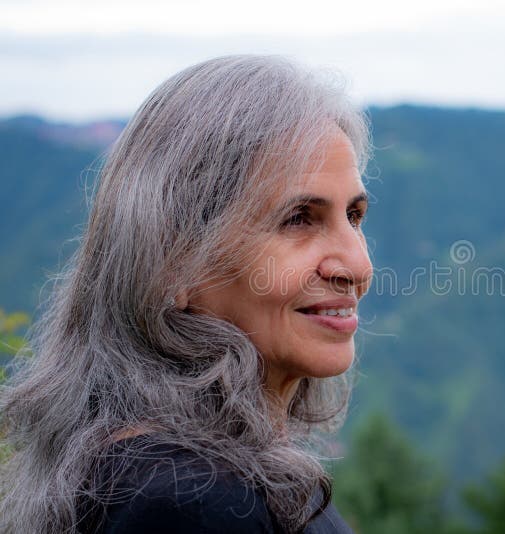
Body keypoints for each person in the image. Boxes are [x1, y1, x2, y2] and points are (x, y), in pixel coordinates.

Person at [0, 55, 373, 533]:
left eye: (355, 217)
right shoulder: (191, 502)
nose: (358, 266)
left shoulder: (210, 478)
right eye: (299, 218)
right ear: (174, 262)